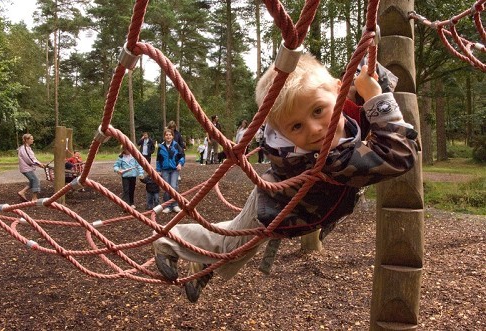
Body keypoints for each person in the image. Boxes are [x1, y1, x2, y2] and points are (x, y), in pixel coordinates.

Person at [153, 53, 419, 303]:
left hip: (296, 212)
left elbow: (361, 83)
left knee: (241, 247)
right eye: (296, 127)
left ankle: (203, 265)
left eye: (318, 111)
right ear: (282, 131)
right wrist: (376, 97)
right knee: (232, 243)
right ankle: (171, 239)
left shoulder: (337, 102)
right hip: (274, 208)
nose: (315, 129)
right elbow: (398, 155)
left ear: (338, 90)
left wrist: (369, 61)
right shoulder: (328, 159)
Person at [156, 128, 186, 213]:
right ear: (164, 137)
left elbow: (182, 156)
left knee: (173, 186)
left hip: (174, 169)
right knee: (166, 187)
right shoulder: (161, 147)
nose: (168, 136)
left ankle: (175, 204)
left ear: (172, 136)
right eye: (166, 135)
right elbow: (158, 159)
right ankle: (167, 206)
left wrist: (180, 164)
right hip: (165, 169)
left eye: (170, 135)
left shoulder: (176, 145)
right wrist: (158, 170)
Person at [17, 133, 46, 202]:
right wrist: (39, 164)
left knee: (33, 181)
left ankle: (22, 192)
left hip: (27, 168)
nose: (33, 140)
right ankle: (34, 198)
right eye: (31, 139)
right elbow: (29, 159)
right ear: (26, 140)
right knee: (36, 180)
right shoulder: (24, 149)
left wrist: (40, 163)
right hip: (26, 168)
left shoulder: (27, 148)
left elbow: (33, 158)